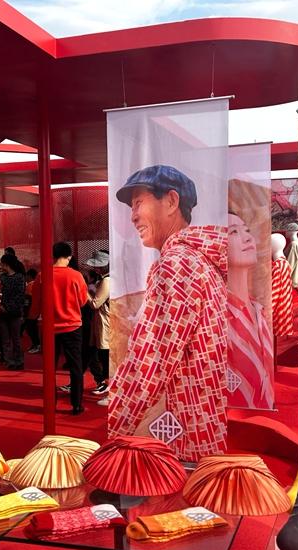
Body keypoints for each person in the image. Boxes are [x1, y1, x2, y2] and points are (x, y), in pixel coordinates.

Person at [107, 165, 228, 462]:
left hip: (185, 436)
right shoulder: (199, 258)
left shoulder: (176, 264)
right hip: (203, 424)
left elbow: (149, 361)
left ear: (172, 201)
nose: (133, 216)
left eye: (139, 203)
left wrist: (115, 429)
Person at [29, 242, 88, 415]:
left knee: (50, 368)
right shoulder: (76, 276)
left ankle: (51, 403)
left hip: (49, 328)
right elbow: (83, 301)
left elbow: (36, 303)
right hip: (73, 326)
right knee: (76, 367)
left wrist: (32, 319)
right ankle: (76, 404)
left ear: (52, 256)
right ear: (69, 256)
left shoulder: (42, 276)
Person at [226, 213, 274, 409]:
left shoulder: (259, 311)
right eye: (233, 232)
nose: (247, 237)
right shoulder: (217, 314)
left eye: (246, 230)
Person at [85, 250, 111, 404]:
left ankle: (111, 391)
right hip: (104, 323)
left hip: (105, 324)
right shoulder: (107, 279)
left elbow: (95, 304)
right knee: (103, 358)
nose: (95, 269)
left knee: (106, 360)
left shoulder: (107, 281)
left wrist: (85, 292)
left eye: (97, 266)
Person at [0, 253, 26, 370]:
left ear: (6, 264)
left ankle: (17, 361)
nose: (1, 266)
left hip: (13, 312)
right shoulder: (2, 277)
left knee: (14, 338)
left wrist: (5, 307)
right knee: (6, 339)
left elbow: (19, 296)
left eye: (2, 264)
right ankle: (10, 361)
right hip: (5, 311)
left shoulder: (19, 277)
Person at [23, 268, 41, 353]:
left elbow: (28, 300)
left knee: (31, 329)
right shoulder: (35, 284)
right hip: (35, 310)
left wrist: (25, 311)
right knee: (31, 329)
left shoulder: (30, 285)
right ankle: (35, 344)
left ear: (29, 276)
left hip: (31, 311)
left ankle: (36, 345)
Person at [286, 222, 298, 291]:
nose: (285, 232)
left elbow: (291, 263)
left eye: (287, 229)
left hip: (292, 280)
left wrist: (285, 276)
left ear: (291, 231)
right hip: (295, 278)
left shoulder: (294, 244)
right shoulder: (297, 243)